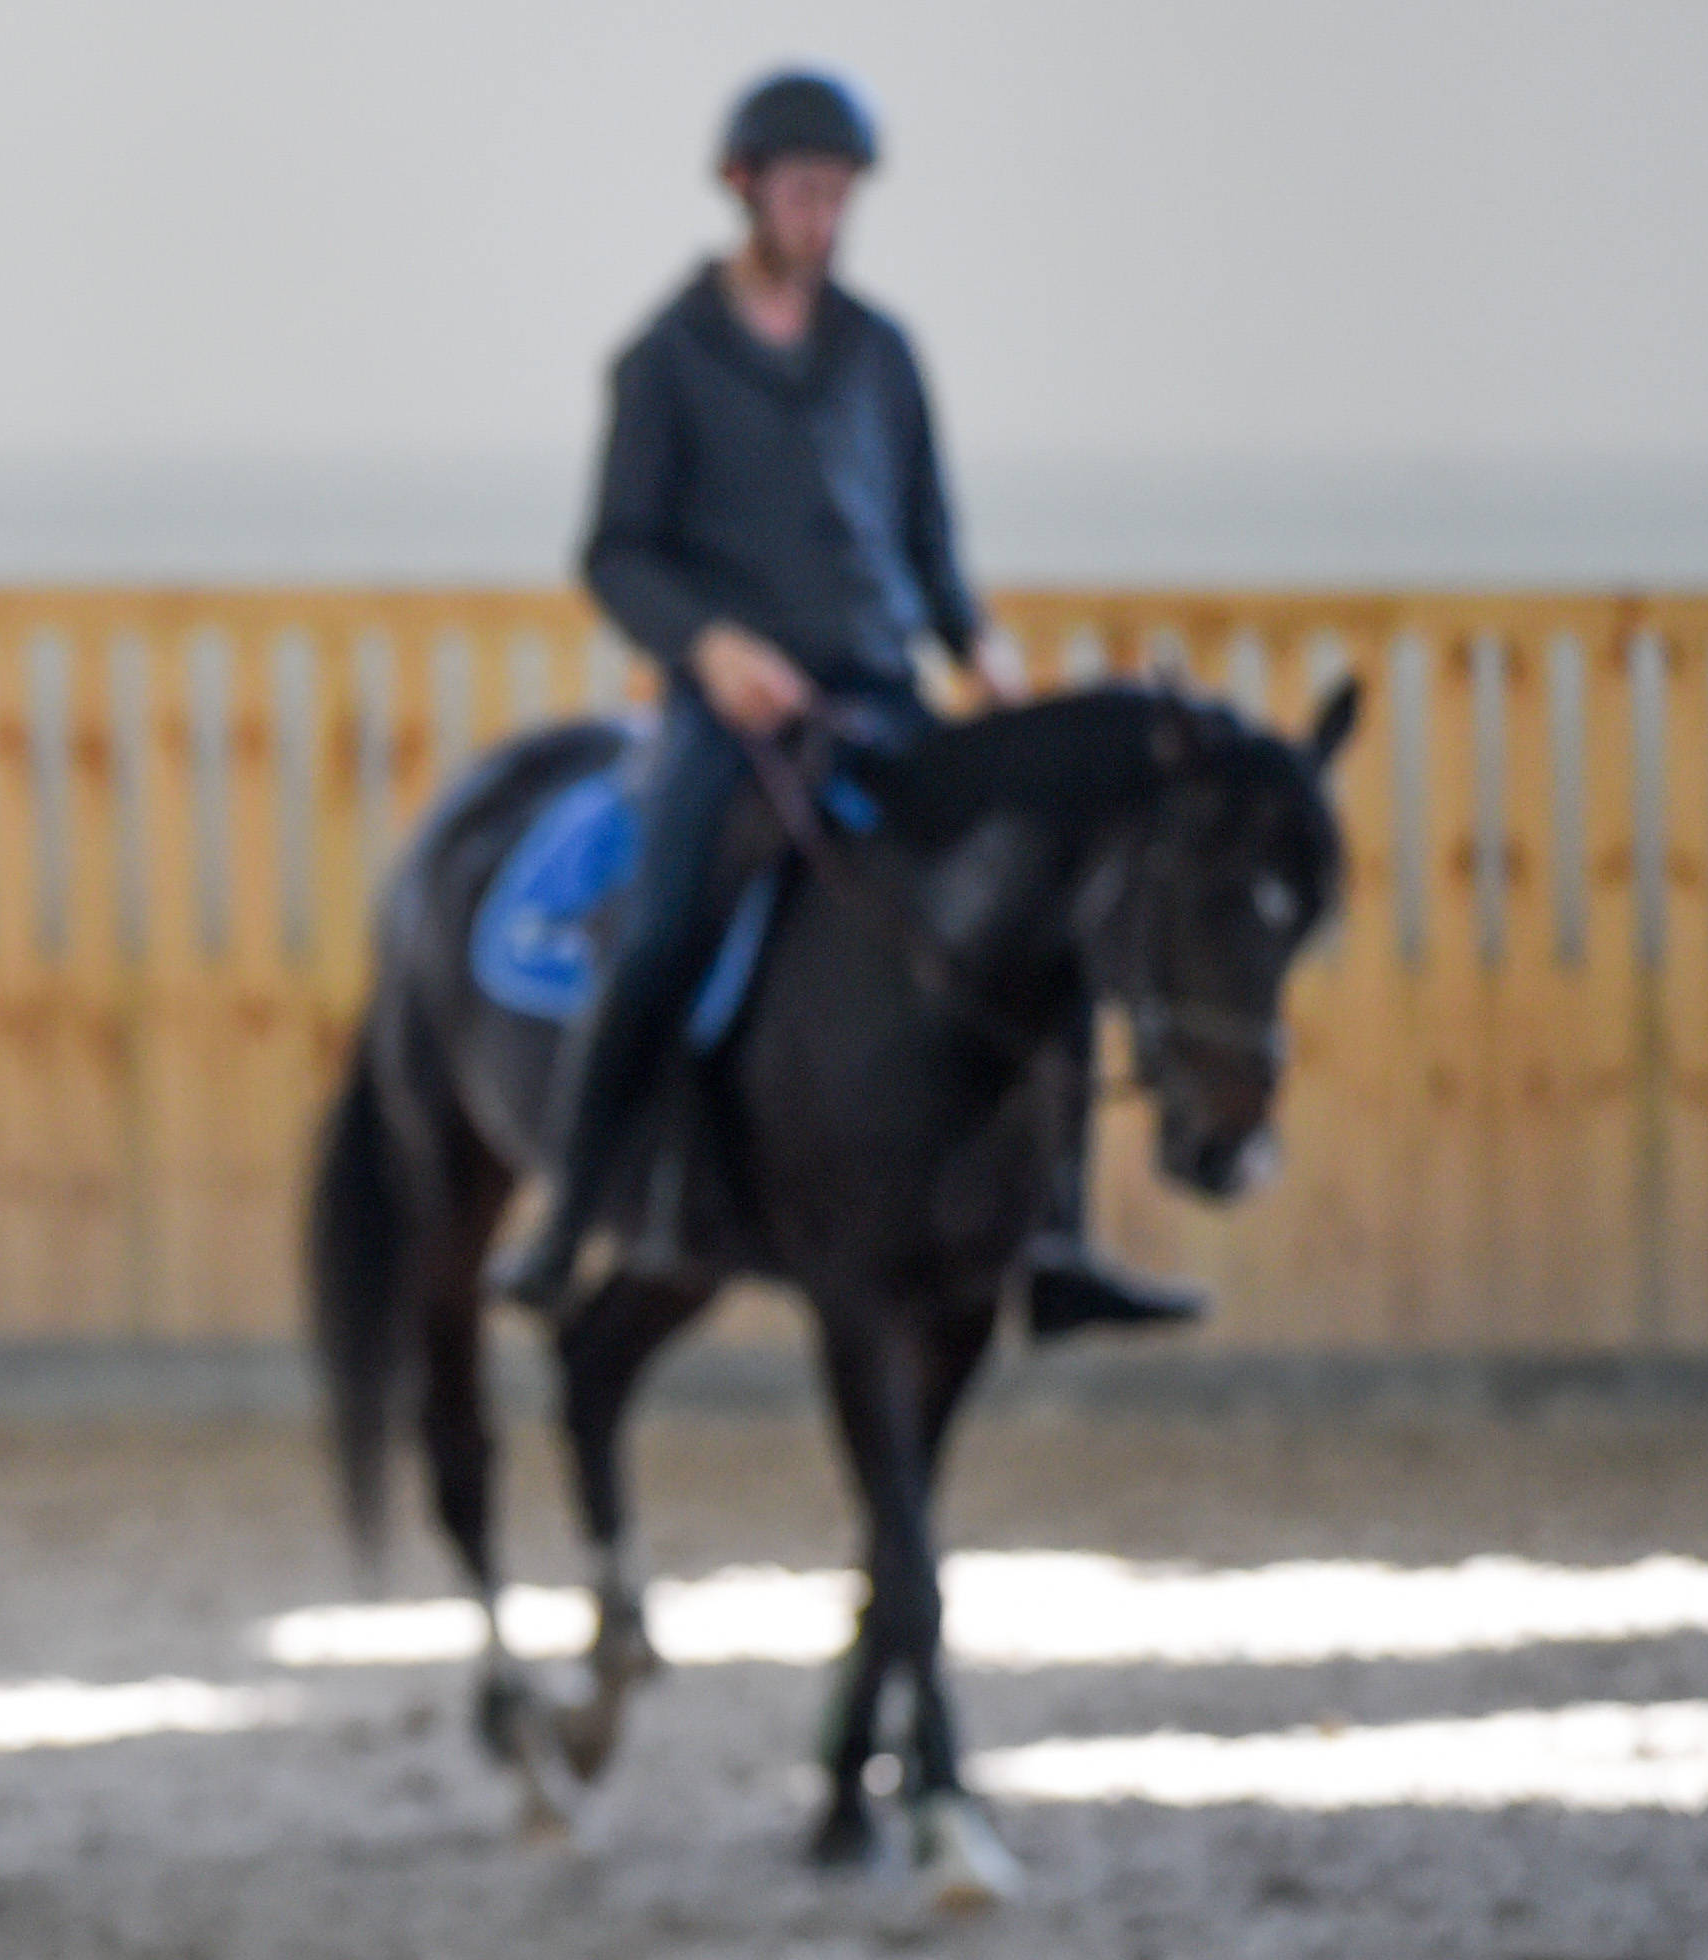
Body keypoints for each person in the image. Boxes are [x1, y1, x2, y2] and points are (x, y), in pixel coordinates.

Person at [487, 66, 1204, 1341]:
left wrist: (969, 634)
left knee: (1053, 901)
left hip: (884, 687)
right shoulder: (665, 363)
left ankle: (1058, 1237)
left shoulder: (880, 352)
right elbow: (616, 553)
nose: (824, 217)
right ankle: (574, 1212)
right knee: (663, 928)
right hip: (742, 709)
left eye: (840, 196)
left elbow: (926, 536)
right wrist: (708, 646)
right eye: (804, 192)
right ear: (744, 190)